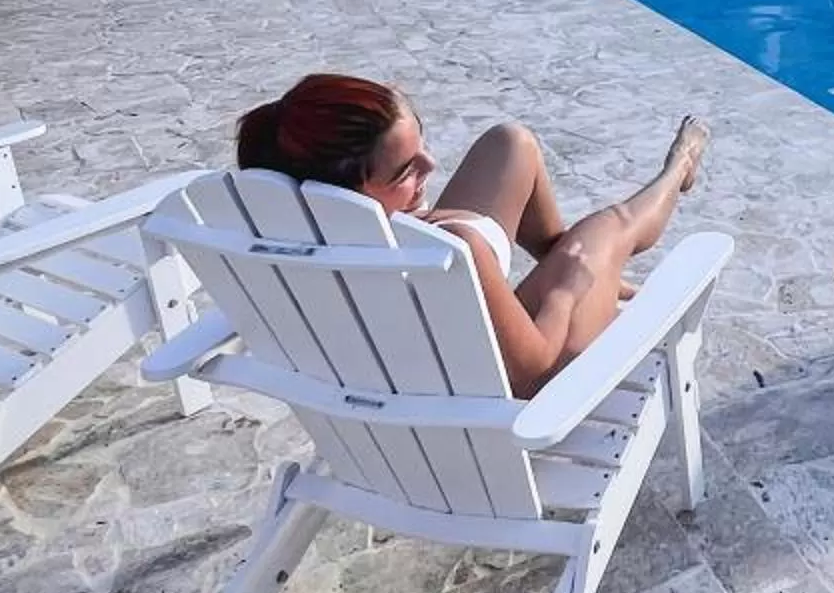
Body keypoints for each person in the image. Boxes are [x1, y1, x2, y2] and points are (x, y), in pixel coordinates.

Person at [235, 74, 709, 398]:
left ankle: (567, 257)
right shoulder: (454, 249)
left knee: (511, 143)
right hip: (514, 385)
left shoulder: (290, 228)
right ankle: (677, 172)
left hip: (417, 320)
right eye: (406, 170)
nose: (431, 166)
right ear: (349, 189)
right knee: (606, 232)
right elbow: (535, 374)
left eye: (421, 145)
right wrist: (567, 290)